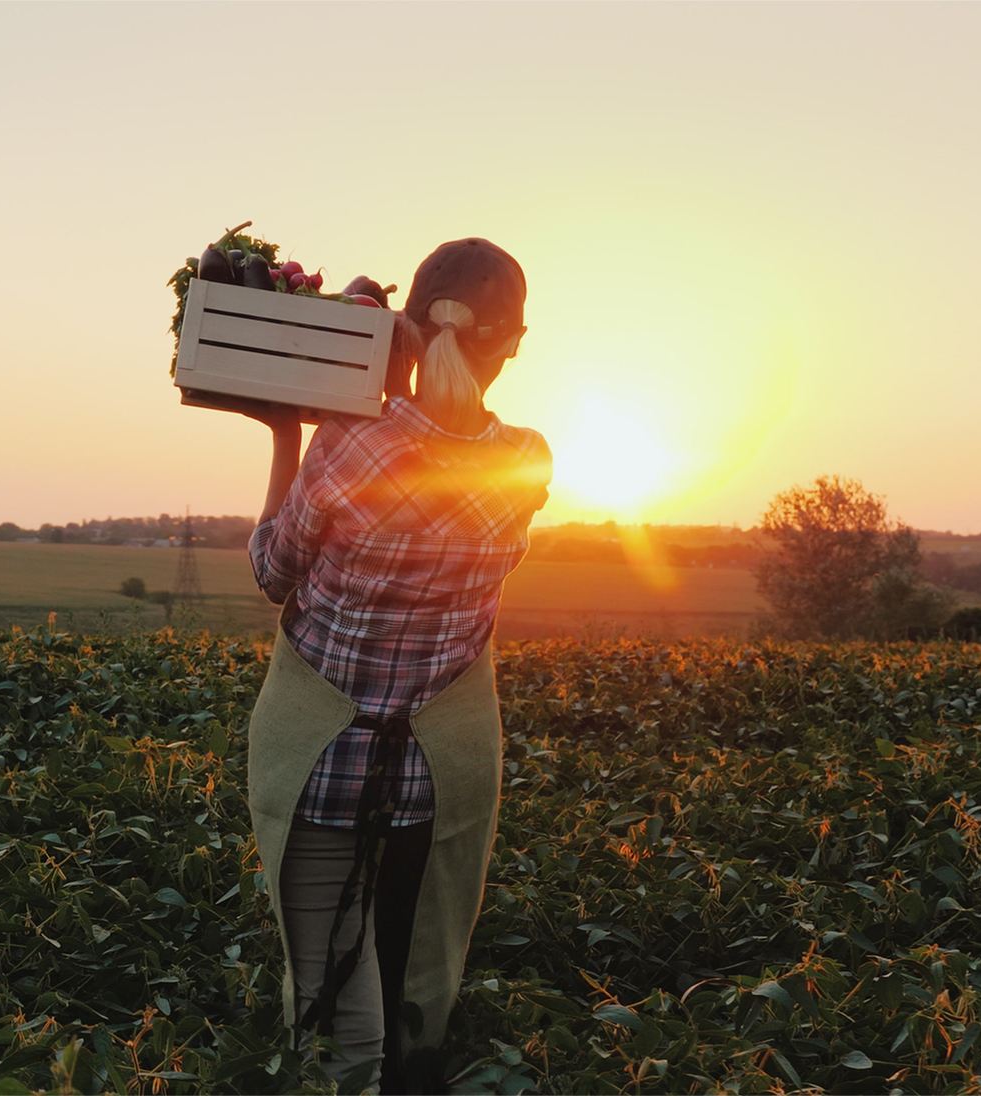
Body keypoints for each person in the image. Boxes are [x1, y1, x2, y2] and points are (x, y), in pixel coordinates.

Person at [243, 238, 551, 1093]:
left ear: (409, 327)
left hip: (321, 768)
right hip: (434, 777)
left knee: (332, 1014)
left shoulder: (348, 442)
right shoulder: (527, 461)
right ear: (514, 343)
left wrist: (286, 433)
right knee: (411, 996)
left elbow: (273, 572)